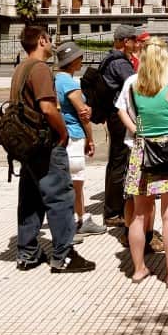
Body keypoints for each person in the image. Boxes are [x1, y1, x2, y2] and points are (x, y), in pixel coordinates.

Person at [13, 26, 95, 273]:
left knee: (30, 198)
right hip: (44, 143)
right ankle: (63, 254)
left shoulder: (20, 68)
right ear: (41, 40)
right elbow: (48, 109)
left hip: (26, 144)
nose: (51, 44)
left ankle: (26, 252)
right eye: (49, 39)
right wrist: (63, 133)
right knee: (60, 196)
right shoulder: (39, 69)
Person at [118, 38, 168, 286]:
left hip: (143, 150)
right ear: (164, 60)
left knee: (140, 215)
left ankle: (139, 268)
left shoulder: (135, 86)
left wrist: (138, 129)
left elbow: (127, 112)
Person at [54, 41, 106, 240]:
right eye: (79, 57)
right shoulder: (68, 83)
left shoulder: (57, 80)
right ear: (73, 61)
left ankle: (78, 218)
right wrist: (90, 139)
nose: (82, 60)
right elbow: (83, 114)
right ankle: (77, 221)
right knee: (76, 181)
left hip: (64, 135)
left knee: (69, 181)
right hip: (74, 135)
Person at [98, 25, 141, 230]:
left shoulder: (110, 59)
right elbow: (136, 85)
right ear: (126, 42)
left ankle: (112, 208)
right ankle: (114, 211)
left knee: (116, 160)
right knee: (119, 161)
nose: (137, 43)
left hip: (113, 116)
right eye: (135, 40)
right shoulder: (120, 63)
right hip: (118, 117)